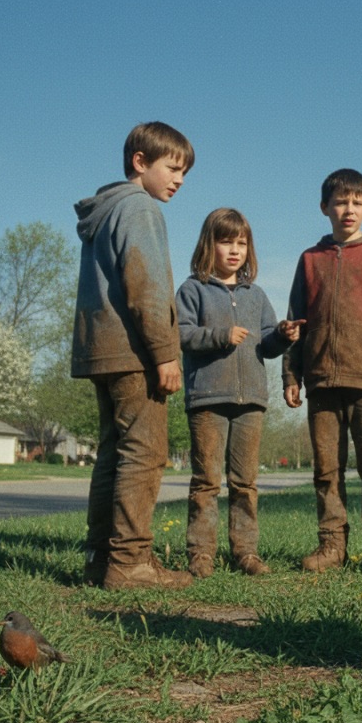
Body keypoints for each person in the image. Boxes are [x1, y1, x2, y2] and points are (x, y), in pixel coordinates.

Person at [72, 121, 194, 591]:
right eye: (172, 167)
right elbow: (146, 286)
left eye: (185, 172)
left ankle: (99, 560)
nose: (179, 179)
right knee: (144, 453)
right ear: (140, 163)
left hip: (100, 349)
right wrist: (165, 354)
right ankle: (130, 565)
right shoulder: (140, 208)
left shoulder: (104, 211)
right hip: (133, 351)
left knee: (112, 454)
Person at [283, 168, 362, 575]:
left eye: (357, 203)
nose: (348, 210)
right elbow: (294, 323)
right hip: (321, 380)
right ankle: (332, 545)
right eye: (340, 202)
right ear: (325, 208)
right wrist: (291, 376)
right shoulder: (309, 260)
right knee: (326, 469)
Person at [177, 208, 303, 578]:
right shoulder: (192, 289)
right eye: (226, 241)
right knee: (205, 481)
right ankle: (201, 555)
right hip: (207, 399)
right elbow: (180, 334)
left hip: (251, 401)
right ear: (208, 244)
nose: (235, 250)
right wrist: (220, 335)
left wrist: (282, 334)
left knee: (245, 483)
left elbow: (267, 344)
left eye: (242, 243)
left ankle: (245, 553)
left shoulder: (257, 295)